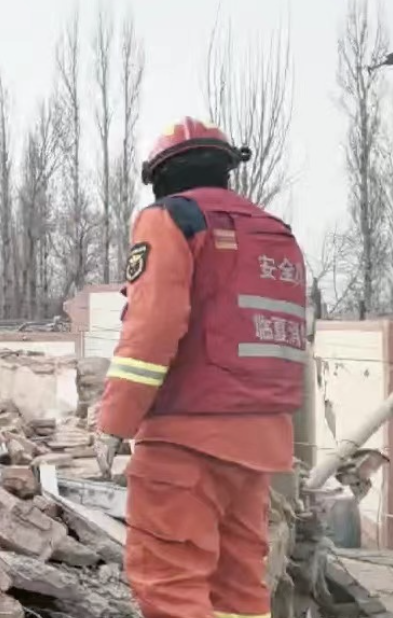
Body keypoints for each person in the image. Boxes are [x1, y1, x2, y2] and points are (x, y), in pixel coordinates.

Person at [95, 117, 305, 618]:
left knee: (170, 584)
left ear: (161, 176)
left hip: (184, 443)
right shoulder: (278, 234)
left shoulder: (171, 218)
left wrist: (113, 424)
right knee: (239, 588)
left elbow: (152, 327)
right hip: (259, 446)